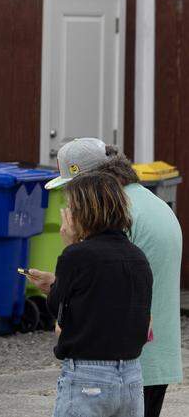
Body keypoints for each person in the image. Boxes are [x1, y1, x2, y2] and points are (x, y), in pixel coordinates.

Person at [42, 138, 183, 417]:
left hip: (121, 364)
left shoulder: (118, 214)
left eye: (73, 189)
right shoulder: (152, 203)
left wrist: (72, 256)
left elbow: (94, 300)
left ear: (92, 184)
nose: (70, 200)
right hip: (151, 361)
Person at [26, 171, 152, 417]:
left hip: (88, 375)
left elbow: (61, 311)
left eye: (70, 208)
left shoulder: (76, 255)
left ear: (83, 212)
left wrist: (68, 254)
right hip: (131, 375)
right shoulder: (138, 256)